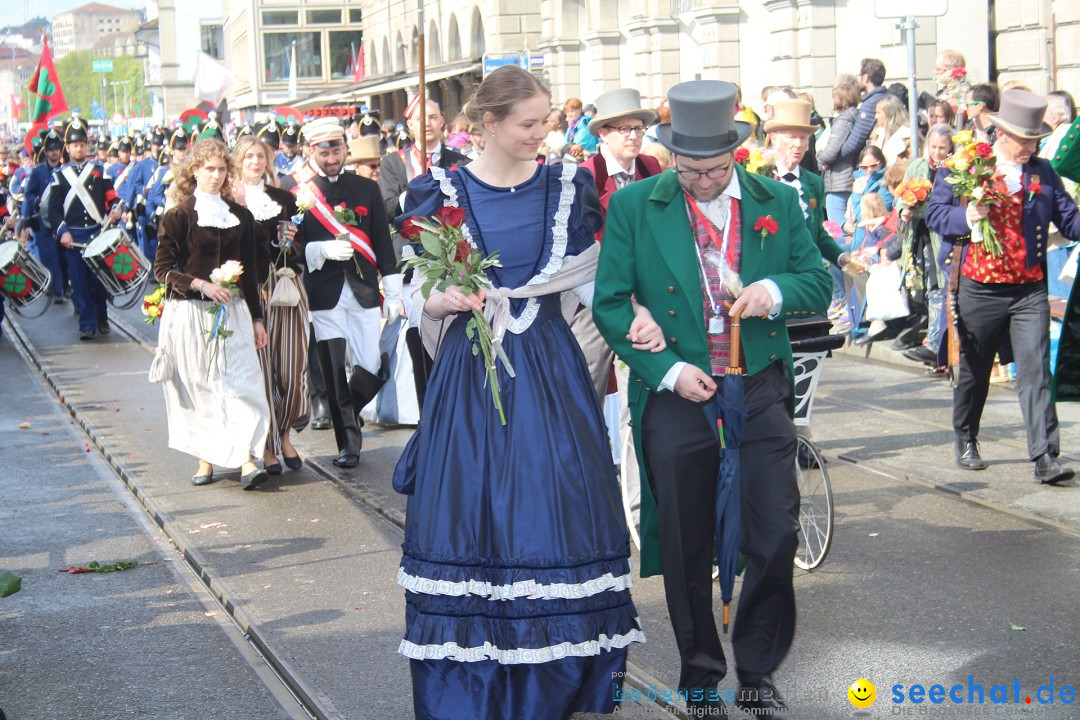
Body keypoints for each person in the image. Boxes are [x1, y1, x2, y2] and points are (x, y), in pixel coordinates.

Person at [392, 65, 649, 720]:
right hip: (471, 380)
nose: (543, 133)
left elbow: (592, 285)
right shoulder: (440, 191)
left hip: (549, 373)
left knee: (553, 514)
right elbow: (408, 285)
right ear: (489, 125)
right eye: (529, 123)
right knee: (472, 515)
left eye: (546, 122)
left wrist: (634, 321)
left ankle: (552, 688)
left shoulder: (567, 187)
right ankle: (470, 695)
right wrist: (440, 296)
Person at [593, 79, 832, 717]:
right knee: (685, 539)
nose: (699, 180)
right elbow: (611, 301)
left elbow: (815, 277)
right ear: (671, 153)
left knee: (775, 533)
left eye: (714, 169)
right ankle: (700, 674)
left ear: (736, 154)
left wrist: (774, 291)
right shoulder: (637, 205)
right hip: (678, 393)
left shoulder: (775, 199)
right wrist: (668, 370)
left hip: (756, 387)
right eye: (687, 167)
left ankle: (757, 669)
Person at [926, 89, 1080, 483]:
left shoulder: (1042, 172)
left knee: (1035, 370)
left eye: (1036, 140)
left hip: (1028, 289)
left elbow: (1070, 221)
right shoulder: (966, 165)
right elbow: (935, 214)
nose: (1032, 146)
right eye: (1026, 139)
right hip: (979, 286)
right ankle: (966, 437)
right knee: (976, 370)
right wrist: (967, 214)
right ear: (1002, 134)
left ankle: (1045, 456)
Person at [281, 118, 400, 469]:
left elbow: (381, 239)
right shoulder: (300, 193)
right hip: (324, 289)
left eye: (336, 149)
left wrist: (392, 290)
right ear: (310, 151)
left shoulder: (365, 187)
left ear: (345, 149)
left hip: (363, 288)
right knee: (333, 369)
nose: (331, 157)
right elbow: (293, 247)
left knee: (372, 365)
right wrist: (320, 251)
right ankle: (348, 441)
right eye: (324, 150)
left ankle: (344, 408)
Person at [153, 138, 271, 490]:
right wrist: (201, 285)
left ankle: (248, 459)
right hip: (192, 313)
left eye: (222, 169)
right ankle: (205, 457)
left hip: (232, 312)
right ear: (194, 171)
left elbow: (249, 272)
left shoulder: (241, 217)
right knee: (202, 386)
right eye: (209, 169)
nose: (217, 176)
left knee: (242, 384)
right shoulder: (179, 216)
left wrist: (257, 318)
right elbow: (161, 270)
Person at [233, 135, 310, 475]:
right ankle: (268, 443)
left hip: (286, 287)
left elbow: (301, 248)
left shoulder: (282, 198)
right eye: (248, 156)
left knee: (292, 370)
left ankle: (285, 430)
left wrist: (293, 242)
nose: (255, 162)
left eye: (260, 156)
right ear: (238, 161)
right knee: (261, 372)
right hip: (252, 292)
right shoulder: (230, 202)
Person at [48, 116, 123, 340]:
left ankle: (102, 317)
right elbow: (54, 211)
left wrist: (116, 210)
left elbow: (112, 198)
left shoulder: (99, 171)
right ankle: (87, 324)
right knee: (79, 284)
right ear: (68, 148)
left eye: (82, 144)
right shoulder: (59, 176)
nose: (79, 149)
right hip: (74, 236)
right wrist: (63, 232)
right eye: (74, 145)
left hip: (96, 234)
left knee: (100, 282)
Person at [898, 124, 954, 366]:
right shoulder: (918, 166)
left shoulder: (954, 168)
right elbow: (901, 196)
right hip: (919, 236)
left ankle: (934, 345)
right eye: (934, 147)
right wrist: (904, 210)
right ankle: (934, 346)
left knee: (937, 287)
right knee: (922, 288)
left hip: (939, 235)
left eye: (943, 147)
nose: (938, 152)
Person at [378, 98, 471, 220]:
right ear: (410, 124)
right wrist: (414, 194)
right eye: (420, 118)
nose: (427, 123)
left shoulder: (462, 163)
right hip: (408, 237)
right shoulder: (392, 163)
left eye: (433, 117)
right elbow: (387, 209)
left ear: (442, 121)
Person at [20, 128, 66, 304]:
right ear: (46, 152)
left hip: (62, 220)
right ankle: (57, 290)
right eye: (51, 150)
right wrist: (36, 201)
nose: (54, 153)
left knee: (63, 258)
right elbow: (29, 195)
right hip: (44, 222)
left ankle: (64, 286)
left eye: (56, 149)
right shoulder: (38, 172)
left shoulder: (65, 170)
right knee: (50, 256)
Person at [843, 58, 888, 161]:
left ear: (866, 78)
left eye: (859, 76)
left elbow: (855, 141)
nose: (858, 79)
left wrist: (834, 156)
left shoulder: (871, 103)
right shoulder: (883, 96)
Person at [872, 93, 912, 167]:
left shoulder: (907, 137)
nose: (876, 117)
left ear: (889, 114)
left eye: (878, 113)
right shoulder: (879, 134)